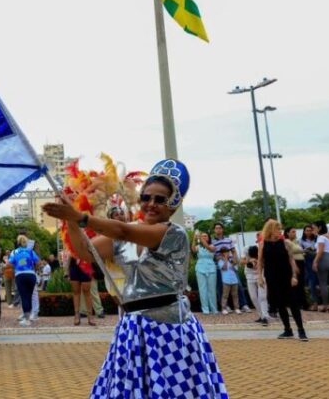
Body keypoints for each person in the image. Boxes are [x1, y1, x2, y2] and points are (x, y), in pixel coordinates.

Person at [44, 159, 228, 398]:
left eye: (159, 199)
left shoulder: (174, 234)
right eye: (146, 197)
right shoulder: (125, 236)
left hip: (169, 330)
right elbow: (84, 252)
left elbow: (123, 230)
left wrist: (81, 217)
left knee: (174, 391)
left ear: (173, 204)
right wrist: (69, 219)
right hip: (133, 327)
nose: (151, 204)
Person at [258, 220, 307, 341]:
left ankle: (301, 330)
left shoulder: (285, 242)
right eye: (276, 229)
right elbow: (260, 261)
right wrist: (260, 276)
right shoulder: (263, 244)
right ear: (270, 230)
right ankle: (287, 330)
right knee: (280, 304)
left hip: (286, 275)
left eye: (280, 229)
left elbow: (291, 260)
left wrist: (294, 276)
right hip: (271, 276)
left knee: (293, 303)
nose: (279, 231)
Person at [8, 235, 40, 326]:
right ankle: (29, 317)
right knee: (29, 297)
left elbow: (9, 264)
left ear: (18, 243)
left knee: (24, 297)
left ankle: (26, 319)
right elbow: (38, 262)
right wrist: (34, 269)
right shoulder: (31, 251)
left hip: (20, 275)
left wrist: (17, 266)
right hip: (31, 274)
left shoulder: (16, 253)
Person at [192, 231, 219, 315]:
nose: (204, 237)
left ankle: (214, 309)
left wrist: (201, 238)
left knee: (212, 289)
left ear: (209, 238)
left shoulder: (212, 246)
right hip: (200, 268)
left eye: (205, 236)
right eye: (202, 236)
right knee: (202, 289)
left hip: (211, 268)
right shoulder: (198, 247)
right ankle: (205, 309)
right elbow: (193, 250)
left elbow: (209, 249)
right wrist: (194, 239)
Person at [284, 227, 308, 311]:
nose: (295, 233)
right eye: (293, 232)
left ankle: (303, 302)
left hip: (301, 262)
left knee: (301, 283)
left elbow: (301, 250)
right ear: (287, 233)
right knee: (295, 283)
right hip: (294, 262)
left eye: (295, 232)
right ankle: (296, 302)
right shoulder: (286, 241)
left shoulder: (297, 241)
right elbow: (293, 250)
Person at [243, 245, 269, 325]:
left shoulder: (262, 253)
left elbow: (266, 264)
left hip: (260, 276)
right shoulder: (246, 250)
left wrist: (259, 262)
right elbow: (241, 262)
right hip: (250, 276)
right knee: (253, 297)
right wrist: (249, 261)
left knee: (262, 296)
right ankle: (261, 315)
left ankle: (265, 316)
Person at [69, 254, 97, 326]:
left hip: (86, 264)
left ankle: (90, 316)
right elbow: (67, 253)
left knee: (87, 291)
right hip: (74, 264)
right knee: (76, 291)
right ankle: (76, 315)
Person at [300, 225, 320, 310]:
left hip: (319, 260)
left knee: (320, 281)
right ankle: (314, 303)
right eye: (307, 230)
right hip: (308, 261)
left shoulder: (317, 238)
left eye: (310, 230)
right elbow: (300, 251)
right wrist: (306, 250)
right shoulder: (301, 241)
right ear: (304, 232)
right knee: (312, 282)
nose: (308, 232)